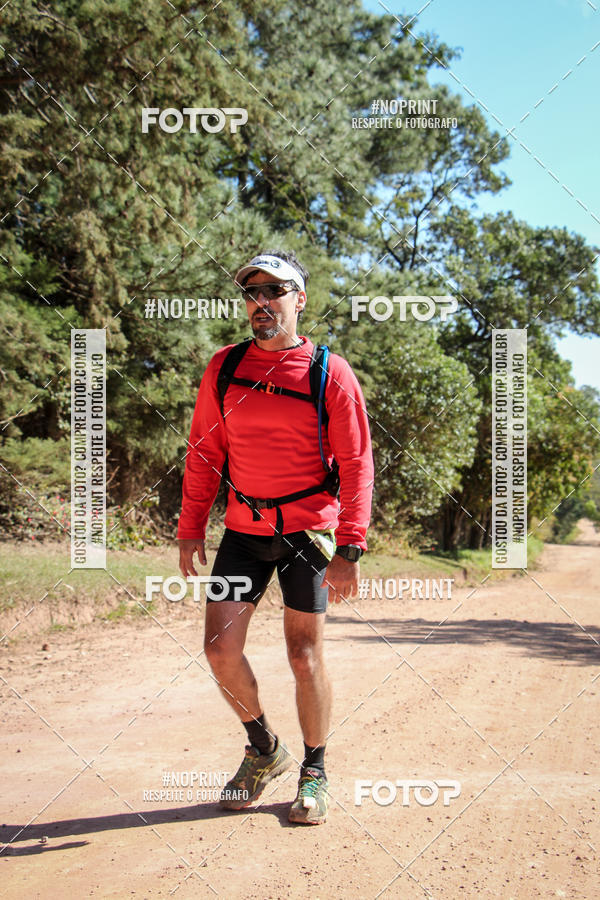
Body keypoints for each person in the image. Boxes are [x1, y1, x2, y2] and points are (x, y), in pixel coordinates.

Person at [177, 249, 373, 825]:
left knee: (303, 655)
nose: (261, 302)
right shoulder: (224, 366)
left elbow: (356, 462)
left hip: (309, 533)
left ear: (300, 300)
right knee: (220, 650)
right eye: (252, 292)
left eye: (274, 291)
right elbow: (205, 451)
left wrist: (351, 546)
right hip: (243, 530)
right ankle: (264, 749)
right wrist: (191, 525)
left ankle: (315, 770)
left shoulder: (328, 372)